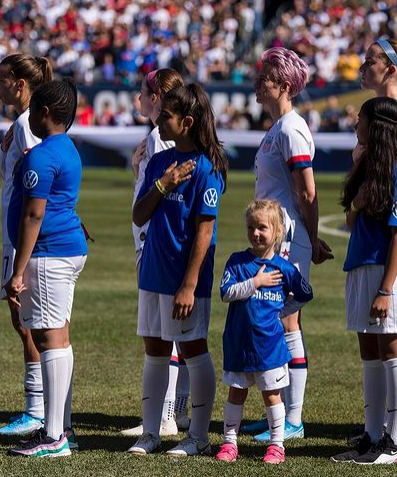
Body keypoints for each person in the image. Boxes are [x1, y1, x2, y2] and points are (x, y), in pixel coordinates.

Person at [128, 83, 227, 456]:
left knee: (192, 350)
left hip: (184, 280)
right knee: (155, 350)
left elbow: (205, 231)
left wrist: (189, 284)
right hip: (153, 273)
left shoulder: (206, 169)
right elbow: (139, 215)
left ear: (186, 122)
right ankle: (150, 433)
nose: (160, 122)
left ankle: (198, 436)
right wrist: (162, 184)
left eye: (167, 116)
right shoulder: (160, 162)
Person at [247, 46, 333, 443]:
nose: (257, 82)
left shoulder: (291, 129)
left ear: (283, 86)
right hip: (278, 237)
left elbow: (307, 193)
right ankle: (279, 415)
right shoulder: (278, 128)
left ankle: (292, 419)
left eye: (265, 77)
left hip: (287, 238)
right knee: (280, 322)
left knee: (285, 321)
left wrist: (311, 239)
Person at [331, 97, 397, 465]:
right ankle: (372, 436)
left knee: (391, 346)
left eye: (361, 119)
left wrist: (386, 289)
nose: (356, 124)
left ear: (378, 125)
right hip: (361, 265)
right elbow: (352, 220)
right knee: (369, 350)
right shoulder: (369, 165)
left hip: (385, 273)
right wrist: (356, 203)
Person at [5, 79, 88, 458]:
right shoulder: (67, 147)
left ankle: (55, 436)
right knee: (58, 337)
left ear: (44, 112)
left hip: (49, 253)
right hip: (63, 250)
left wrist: (17, 269)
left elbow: (33, 215)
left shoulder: (42, 155)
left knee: (49, 338)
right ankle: (61, 428)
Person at [215, 199, 313, 465]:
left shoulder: (284, 269)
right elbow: (226, 293)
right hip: (238, 343)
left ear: (277, 231)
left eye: (262, 228)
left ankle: (277, 446)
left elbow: (305, 294)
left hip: (269, 346)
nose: (255, 233)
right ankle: (229, 443)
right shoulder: (237, 262)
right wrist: (255, 282)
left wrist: (281, 311)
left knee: (272, 396)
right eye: (251, 227)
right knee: (236, 393)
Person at [122, 68, 190, 438]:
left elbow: (164, 190)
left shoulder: (159, 137)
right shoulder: (157, 136)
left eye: (143, 92)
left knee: (163, 331)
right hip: (157, 237)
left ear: (156, 96)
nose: (138, 98)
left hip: (154, 238)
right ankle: (178, 411)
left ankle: (165, 416)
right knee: (176, 330)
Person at [0, 54, 53, 436]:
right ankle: (41, 408)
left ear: (19, 84)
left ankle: (36, 409)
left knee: (26, 318)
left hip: (21, 235)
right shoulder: (21, 123)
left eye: (1, 80)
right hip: (15, 231)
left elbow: (37, 177)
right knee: (25, 319)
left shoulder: (26, 124)